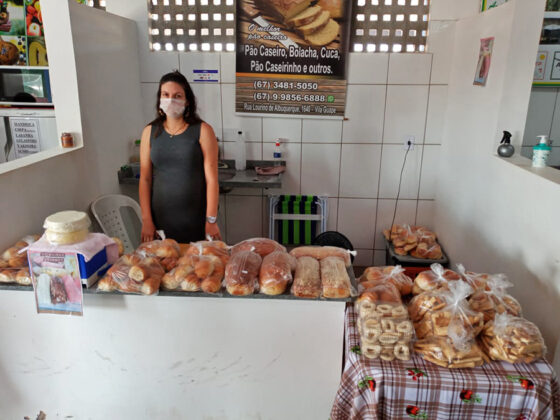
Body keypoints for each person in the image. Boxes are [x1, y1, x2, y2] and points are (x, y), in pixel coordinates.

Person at [139, 70, 220, 243]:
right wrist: (146, 219)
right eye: (165, 95)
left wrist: (211, 220)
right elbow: (145, 179)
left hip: (196, 218)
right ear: (159, 99)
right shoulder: (149, 132)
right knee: (164, 265)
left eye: (177, 95)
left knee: (198, 267)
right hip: (160, 217)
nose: (171, 100)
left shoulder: (203, 130)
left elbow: (212, 180)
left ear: (187, 100)